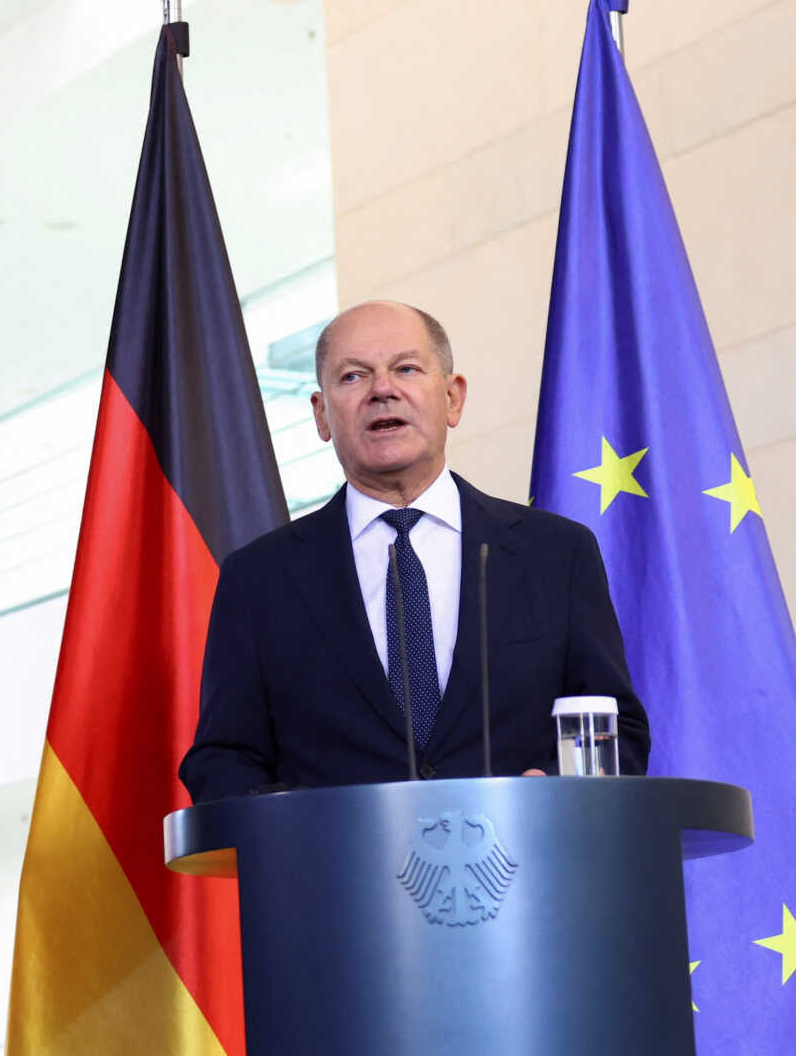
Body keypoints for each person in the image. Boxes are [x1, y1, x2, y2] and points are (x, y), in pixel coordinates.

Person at [180, 299, 647, 798]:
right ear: (321, 415)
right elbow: (223, 760)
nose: (383, 390)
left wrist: (553, 792)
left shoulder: (555, 553)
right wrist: (296, 823)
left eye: (406, 368)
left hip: (524, 866)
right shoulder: (259, 579)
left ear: (452, 398)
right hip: (337, 871)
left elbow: (616, 730)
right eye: (354, 377)